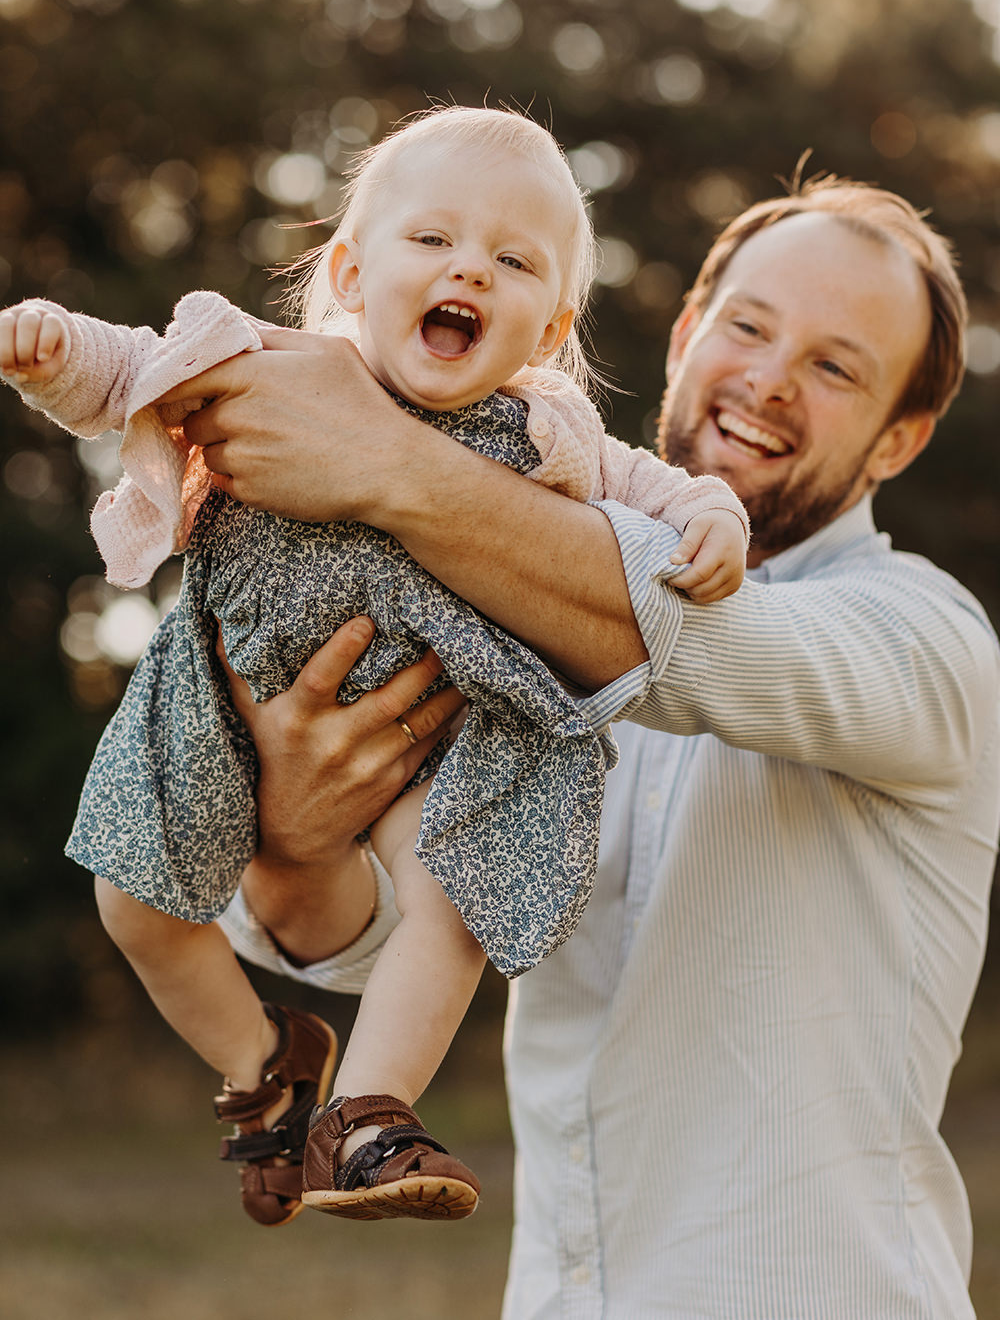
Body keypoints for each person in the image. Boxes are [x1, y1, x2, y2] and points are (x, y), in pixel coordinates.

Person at [169, 173, 1000, 1319]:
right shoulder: (500, 631)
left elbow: (686, 635)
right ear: (684, 332)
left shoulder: (927, 640)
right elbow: (381, 944)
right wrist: (300, 836)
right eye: (748, 327)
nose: (766, 378)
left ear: (898, 439)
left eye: (834, 365)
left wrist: (385, 460)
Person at [0, 107, 749, 1228]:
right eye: (433, 240)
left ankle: (368, 1116)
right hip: (222, 699)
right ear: (351, 269)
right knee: (134, 907)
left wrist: (714, 516)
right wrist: (53, 350)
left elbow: (655, 492)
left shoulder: (550, 432)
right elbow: (129, 373)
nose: (470, 271)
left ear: (550, 328)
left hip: (435, 733)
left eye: (512, 260)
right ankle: (265, 1064)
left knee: (449, 900)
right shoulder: (265, 365)